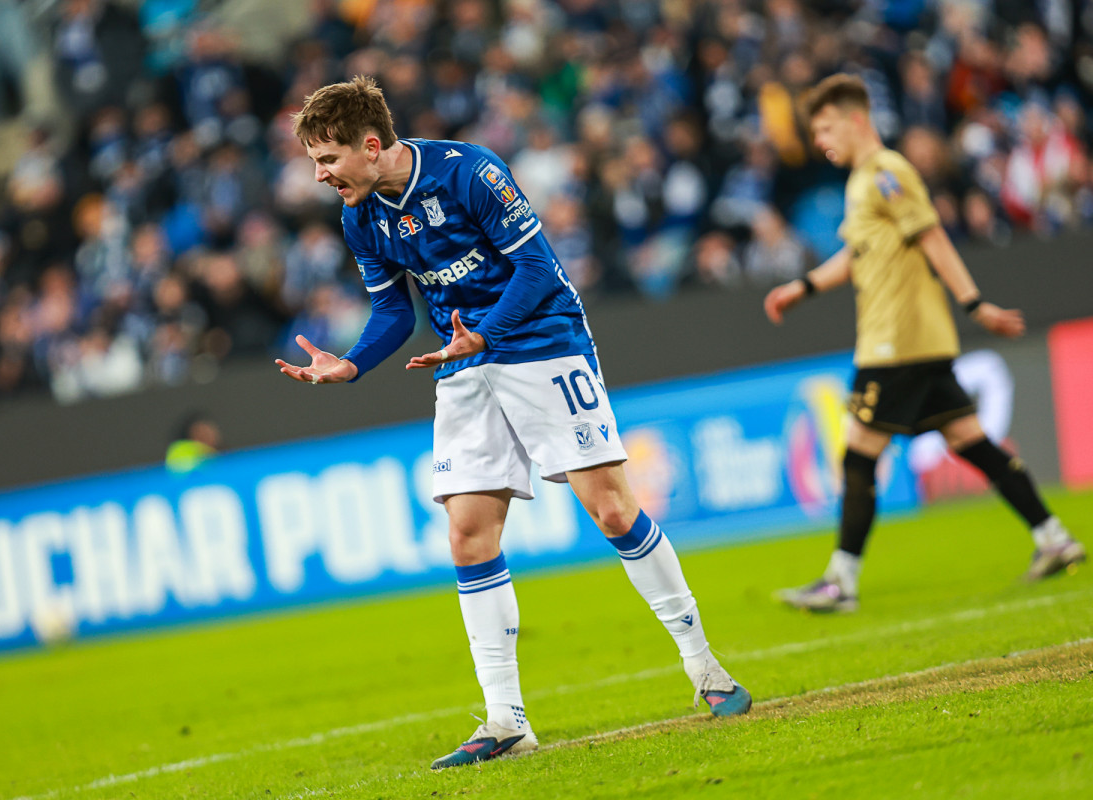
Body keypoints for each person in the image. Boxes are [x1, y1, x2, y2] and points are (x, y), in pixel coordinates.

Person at [275, 76, 752, 770]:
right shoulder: (361, 217)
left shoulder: (469, 172)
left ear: (370, 146)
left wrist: (485, 333)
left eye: (327, 159)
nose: (319, 176)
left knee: (612, 510)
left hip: (539, 339)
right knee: (467, 535)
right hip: (463, 360)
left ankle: (706, 668)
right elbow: (393, 312)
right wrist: (351, 364)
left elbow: (536, 267)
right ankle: (505, 719)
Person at [763, 74, 1085, 613]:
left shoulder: (886, 172)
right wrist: (804, 286)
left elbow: (932, 235)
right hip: (918, 342)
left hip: (896, 342)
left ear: (856, 120)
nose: (820, 140)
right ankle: (1054, 538)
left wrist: (974, 303)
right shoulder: (863, 180)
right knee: (971, 441)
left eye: (826, 128)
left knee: (858, 456)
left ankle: (841, 582)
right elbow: (858, 254)